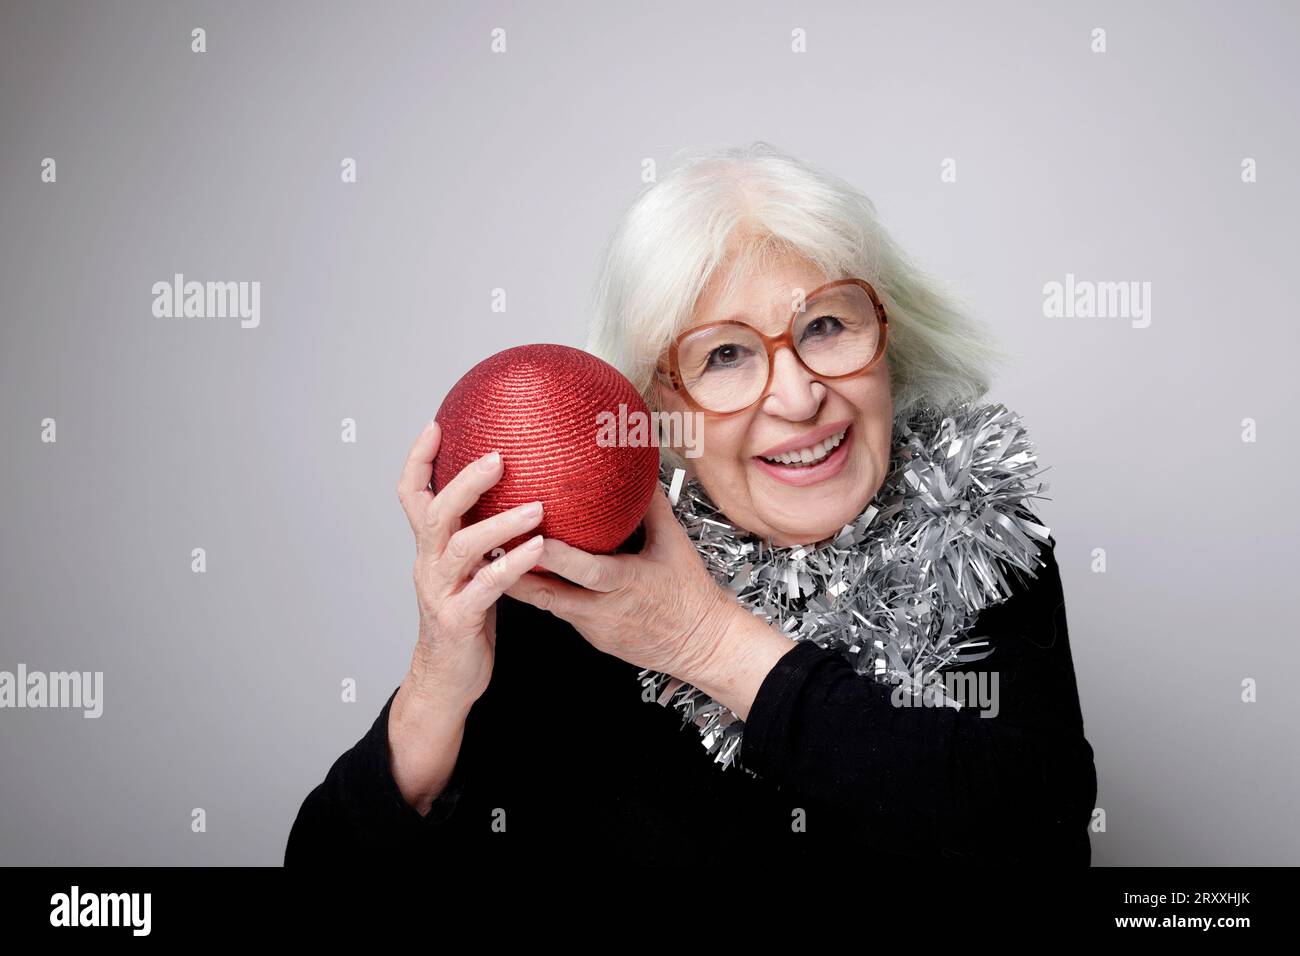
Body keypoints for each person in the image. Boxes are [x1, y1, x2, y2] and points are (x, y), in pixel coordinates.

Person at [285, 142, 1097, 866]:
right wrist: (437, 685)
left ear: (890, 336)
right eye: (728, 355)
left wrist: (707, 642)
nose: (799, 393)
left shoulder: (975, 535)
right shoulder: (578, 585)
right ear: (655, 409)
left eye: (825, 325)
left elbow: (1039, 832)